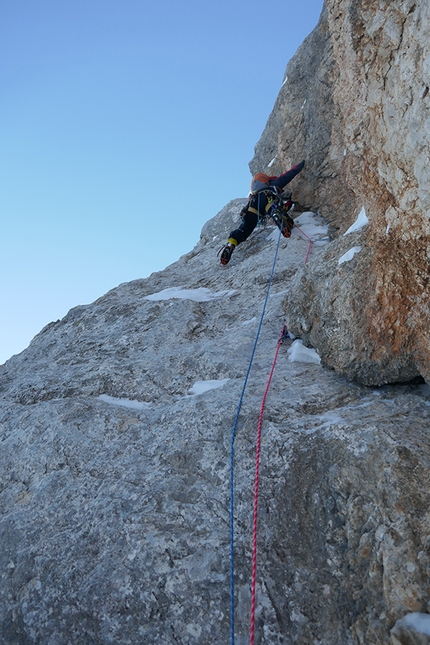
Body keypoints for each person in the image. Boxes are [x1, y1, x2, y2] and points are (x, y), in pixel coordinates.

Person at [218, 160, 305, 266]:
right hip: (267, 199)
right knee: (274, 209)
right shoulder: (273, 184)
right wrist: (301, 165)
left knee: (244, 229)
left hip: (252, 207)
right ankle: (278, 217)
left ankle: (231, 244)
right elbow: (288, 175)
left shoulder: (254, 193)